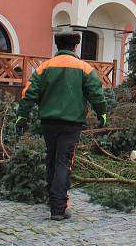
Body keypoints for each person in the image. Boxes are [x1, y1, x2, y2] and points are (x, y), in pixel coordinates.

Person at [15, 32, 108, 221]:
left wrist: (22, 116)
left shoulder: (44, 67)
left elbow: (29, 93)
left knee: (51, 158)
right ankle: (58, 207)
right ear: (75, 47)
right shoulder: (84, 68)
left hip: (48, 123)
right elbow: (96, 94)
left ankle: (52, 198)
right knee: (63, 162)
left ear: (58, 46)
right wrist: (102, 114)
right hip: (72, 123)